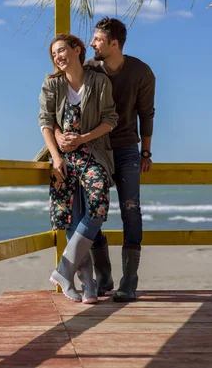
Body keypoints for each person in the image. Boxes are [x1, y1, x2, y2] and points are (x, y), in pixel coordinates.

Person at [56, 17, 155, 302]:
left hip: (125, 149)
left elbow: (146, 114)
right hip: (94, 148)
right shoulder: (88, 69)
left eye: (97, 40)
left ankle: (129, 280)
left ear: (114, 44)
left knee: (130, 209)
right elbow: (64, 102)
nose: (92, 43)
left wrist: (145, 152)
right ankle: (104, 275)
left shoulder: (141, 72)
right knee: (92, 211)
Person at [38, 33, 118, 304]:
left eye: (61, 50)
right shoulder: (52, 85)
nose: (58, 57)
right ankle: (89, 286)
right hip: (63, 159)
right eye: (53, 55)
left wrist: (83, 138)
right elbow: (45, 122)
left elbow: (110, 119)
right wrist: (56, 154)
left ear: (77, 50)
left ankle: (64, 270)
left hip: (93, 155)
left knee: (97, 207)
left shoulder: (99, 81)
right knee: (71, 218)